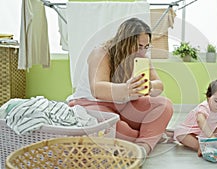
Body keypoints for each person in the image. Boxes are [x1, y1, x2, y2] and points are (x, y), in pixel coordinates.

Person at [67, 18, 173, 155]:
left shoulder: (142, 58)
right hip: (93, 103)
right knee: (118, 128)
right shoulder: (101, 53)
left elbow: (159, 85)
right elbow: (97, 89)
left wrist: (150, 86)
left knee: (164, 105)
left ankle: (142, 147)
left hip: (124, 105)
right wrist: (126, 89)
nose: (142, 52)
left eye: (146, 47)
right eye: (139, 46)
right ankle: (152, 135)